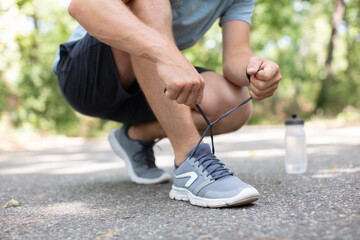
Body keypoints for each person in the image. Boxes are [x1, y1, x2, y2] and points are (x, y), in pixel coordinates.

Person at [53, 0, 281, 208]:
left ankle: (135, 136)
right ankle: (189, 157)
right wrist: (165, 54)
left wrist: (254, 70)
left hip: (149, 79)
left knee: (236, 104)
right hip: (86, 78)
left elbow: (236, 55)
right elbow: (82, 5)